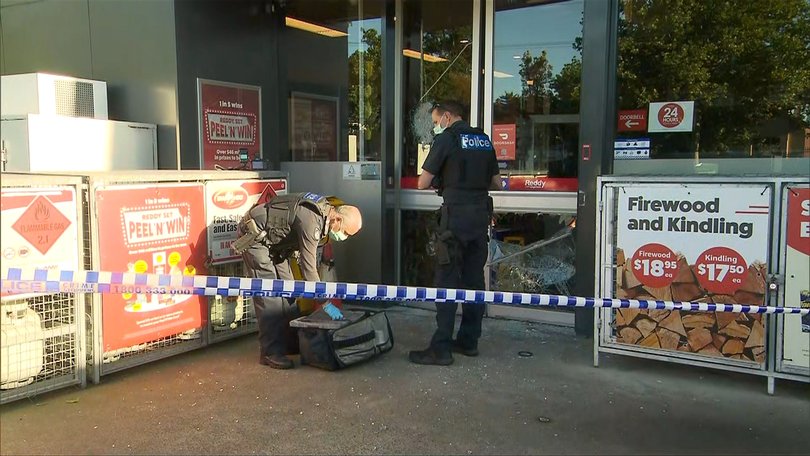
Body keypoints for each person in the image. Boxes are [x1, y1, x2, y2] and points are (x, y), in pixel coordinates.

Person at [409, 100, 501, 366]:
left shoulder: (447, 139)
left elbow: (422, 182)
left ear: (447, 117)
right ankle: (469, 341)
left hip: (455, 221)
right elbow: (496, 181)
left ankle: (441, 348)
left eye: (437, 121)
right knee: (474, 282)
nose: (436, 126)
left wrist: (445, 179)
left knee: (446, 281)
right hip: (479, 219)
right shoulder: (483, 139)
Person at [234, 192, 363, 369]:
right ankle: (270, 352)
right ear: (338, 220)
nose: (344, 237)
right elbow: (309, 269)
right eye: (346, 233)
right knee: (270, 297)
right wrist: (326, 304)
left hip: (275, 245)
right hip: (257, 239)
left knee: (290, 291)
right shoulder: (312, 221)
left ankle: (291, 343)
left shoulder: (324, 215)